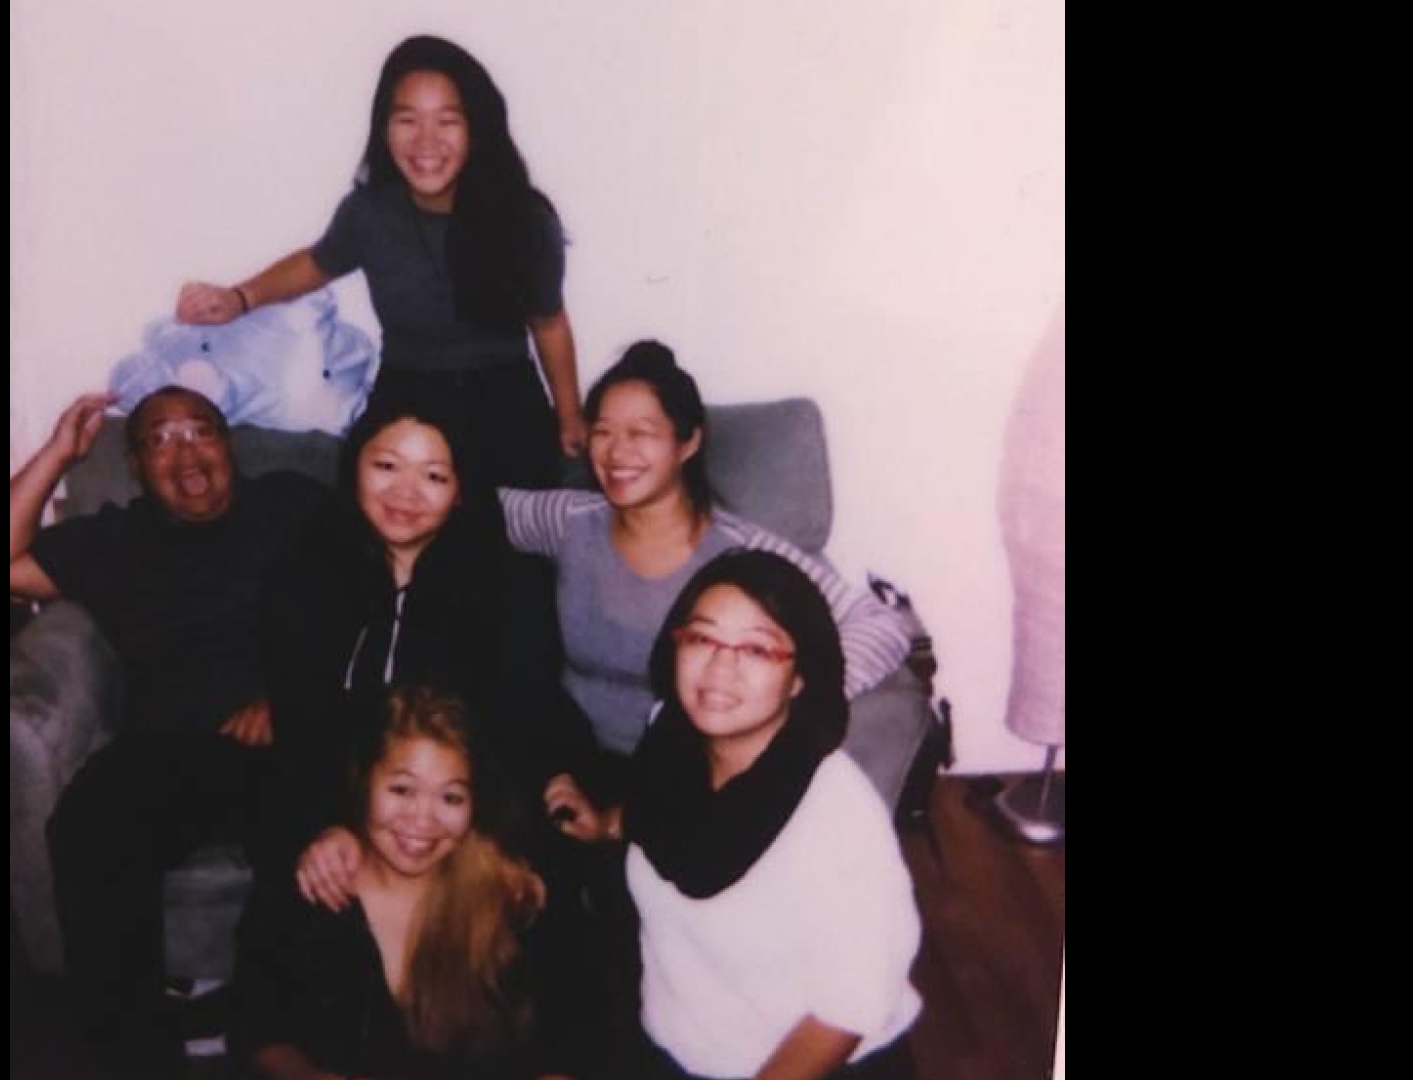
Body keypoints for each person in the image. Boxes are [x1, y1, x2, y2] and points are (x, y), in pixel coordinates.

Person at [9, 386, 325, 1078]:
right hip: (173, 752)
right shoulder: (114, 539)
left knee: (306, 827)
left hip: (293, 735)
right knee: (90, 822)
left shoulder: (291, 506)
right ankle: (134, 1058)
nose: (186, 453)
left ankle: (278, 1036)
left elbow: (376, 582)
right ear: (134, 466)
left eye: (200, 431)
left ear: (229, 444)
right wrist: (58, 453)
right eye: (159, 440)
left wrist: (294, 696)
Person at [497, 340, 914, 840]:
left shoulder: (741, 552)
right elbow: (477, 508)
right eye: (602, 432)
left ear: (688, 443)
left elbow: (882, 622)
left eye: (641, 433)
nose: (617, 452)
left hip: (682, 777)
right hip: (563, 759)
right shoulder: (568, 520)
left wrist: (802, 697)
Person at [175, 34, 584, 490]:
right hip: (407, 391)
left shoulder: (524, 219)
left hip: (502, 398)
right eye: (407, 120)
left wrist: (570, 418)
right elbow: (317, 263)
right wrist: (240, 298)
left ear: (475, 130)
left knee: (503, 522)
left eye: (447, 121)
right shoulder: (369, 213)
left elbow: (549, 323)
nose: (425, 140)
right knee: (368, 511)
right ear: (384, 129)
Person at [260, 392, 594, 895]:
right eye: (387, 466)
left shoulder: (512, 585)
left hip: (469, 801)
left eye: (434, 476)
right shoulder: (304, 578)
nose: (406, 492)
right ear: (354, 470)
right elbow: (302, 728)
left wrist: (491, 830)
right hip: (342, 796)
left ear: (460, 491)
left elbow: (519, 725)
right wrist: (325, 825)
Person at [622, 550, 922, 1080]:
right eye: (701, 639)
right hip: (676, 1045)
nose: (720, 668)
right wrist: (607, 821)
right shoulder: (670, 737)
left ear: (799, 678)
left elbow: (850, 1008)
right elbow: (665, 817)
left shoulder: (838, 818)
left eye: (757, 649)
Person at [227, 687, 593, 1080]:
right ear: (364, 784)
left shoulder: (512, 899)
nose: (422, 821)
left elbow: (571, 1040)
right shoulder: (312, 883)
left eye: (451, 798)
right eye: (402, 790)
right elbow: (259, 1034)